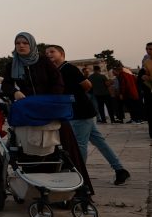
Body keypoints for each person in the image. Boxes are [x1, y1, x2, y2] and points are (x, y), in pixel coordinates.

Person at [47, 46, 130, 185]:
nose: (49, 54)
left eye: (52, 52)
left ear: (61, 54)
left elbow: (87, 85)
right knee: (100, 142)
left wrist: (76, 97)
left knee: (80, 145)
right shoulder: (57, 71)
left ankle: (79, 176)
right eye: (47, 53)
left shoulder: (69, 68)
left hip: (81, 112)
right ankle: (120, 170)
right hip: (80, 112)